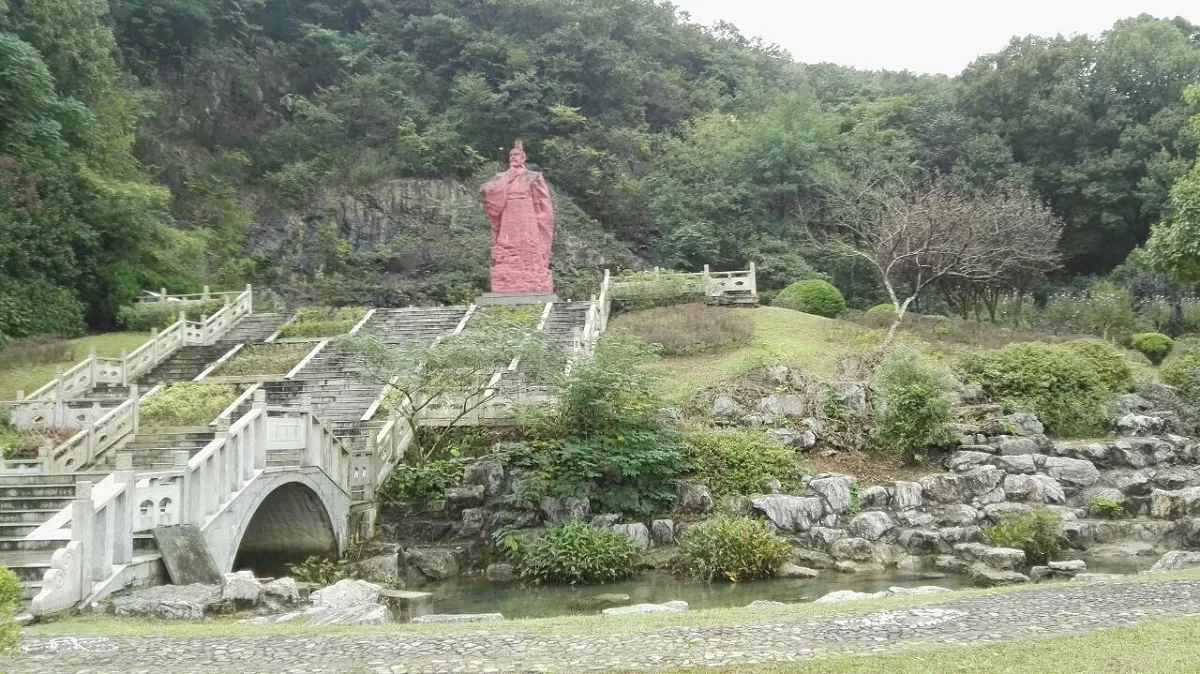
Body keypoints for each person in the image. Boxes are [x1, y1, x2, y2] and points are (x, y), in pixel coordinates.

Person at [480, 141, 555, 293]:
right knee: (507, 242)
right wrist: (507, 179)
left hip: (527, 211)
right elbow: (486, 190)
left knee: (529, 242)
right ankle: (509, 272)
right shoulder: (502, 177)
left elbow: (542, 200)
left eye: (516, 155)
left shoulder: (533, 176)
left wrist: (542, 218)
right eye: (511, 155)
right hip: (508, 210)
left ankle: (532, 271)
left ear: (523, 157)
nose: (513, 158)